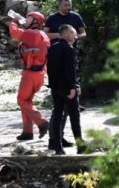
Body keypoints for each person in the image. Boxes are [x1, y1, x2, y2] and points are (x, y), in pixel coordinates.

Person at [9, 11, 50, 141]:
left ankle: (42, 122)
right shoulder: (42, 35)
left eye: (28, 18)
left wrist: (14, 21)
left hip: (30, 74)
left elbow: (14, 32)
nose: (25, 20)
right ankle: (27, 132)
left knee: (21, 101)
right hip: (39, 74)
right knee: (27, 103)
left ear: (35, 21)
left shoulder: (32, 34)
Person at [46, 24, 82, 155]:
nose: (75, 36)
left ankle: (58, 147)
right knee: (74, 117)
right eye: (73, 33)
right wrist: (73, 87)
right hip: (67, 88)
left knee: (57, 116)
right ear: (66, 34)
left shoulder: (52, 48)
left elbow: (49, 70)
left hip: (55, 87)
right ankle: (80, 145)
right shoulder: (69, 49)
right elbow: (71, 70)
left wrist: (54, 85)